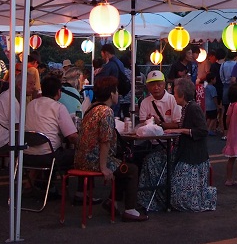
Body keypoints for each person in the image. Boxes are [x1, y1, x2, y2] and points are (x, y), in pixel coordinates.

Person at [73, 76, 148, 222]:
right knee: (131, 169)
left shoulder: (91, 108)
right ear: (110, 93)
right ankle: (130, 210)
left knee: (121, 166)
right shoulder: (106, 111)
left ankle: (112, 202)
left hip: (80, 159)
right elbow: (105, 141)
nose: (118, 94)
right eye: (116, 90)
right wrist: (103, 167)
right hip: (93, 161)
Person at [168, 77, 217, 211]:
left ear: (181, 95)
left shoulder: (193, 108)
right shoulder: (187, 107)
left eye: (175, 93)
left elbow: (202, 130)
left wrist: (181, 130)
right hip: (190, 154)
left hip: (194, 156)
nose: (173, 96)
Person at [136, 70, 182, 211]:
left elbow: (178, 124)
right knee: (133, 156)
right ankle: (138, 193)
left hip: (170, 144)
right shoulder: (145, 102)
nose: (156, 87)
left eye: (159, 84)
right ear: (148, 87)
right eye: (152, 85)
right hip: (150, 142)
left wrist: (159, 124)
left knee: (149, 159)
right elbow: (143, 123)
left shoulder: (173, 100)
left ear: (164, 85)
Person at [24, 76, 78, 171]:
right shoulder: (58, 107)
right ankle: (67, 185)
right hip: (49, 157)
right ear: (58, 91)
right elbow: (72, 137)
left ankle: (41, 183)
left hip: (26, 155)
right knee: (77, 154)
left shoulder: (31, 104)